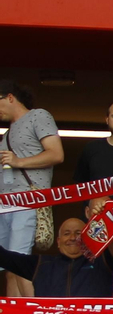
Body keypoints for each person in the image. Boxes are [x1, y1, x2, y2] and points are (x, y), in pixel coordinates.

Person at [0, 79, 62, 256]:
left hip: (27, 200)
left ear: (10, 97)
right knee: (7, 265)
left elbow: (56, 154)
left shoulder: (38, 116)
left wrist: (18, 161)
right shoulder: (7, 133)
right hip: (4, 203)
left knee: (19, 262)